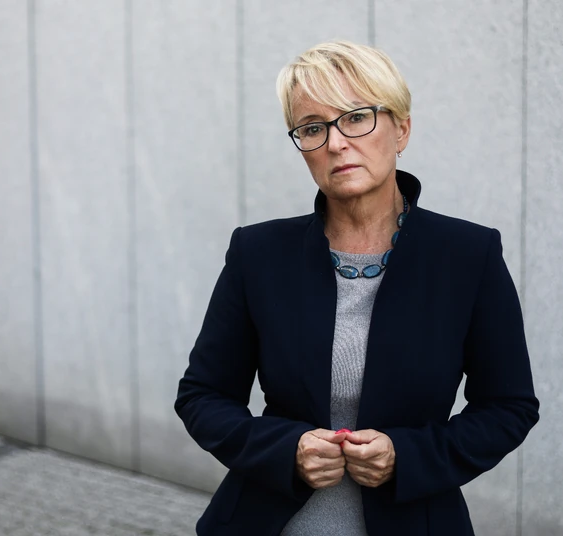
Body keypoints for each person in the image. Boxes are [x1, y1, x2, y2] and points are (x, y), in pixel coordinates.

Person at [175, 40, 539, 536]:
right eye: (313, 127)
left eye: (356, 117)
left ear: (401, 129)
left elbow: (509, 406)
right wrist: (286, 450)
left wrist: (407, 456)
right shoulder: (257, 253)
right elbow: (203, 395)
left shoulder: (467, 255)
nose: (336, 143)